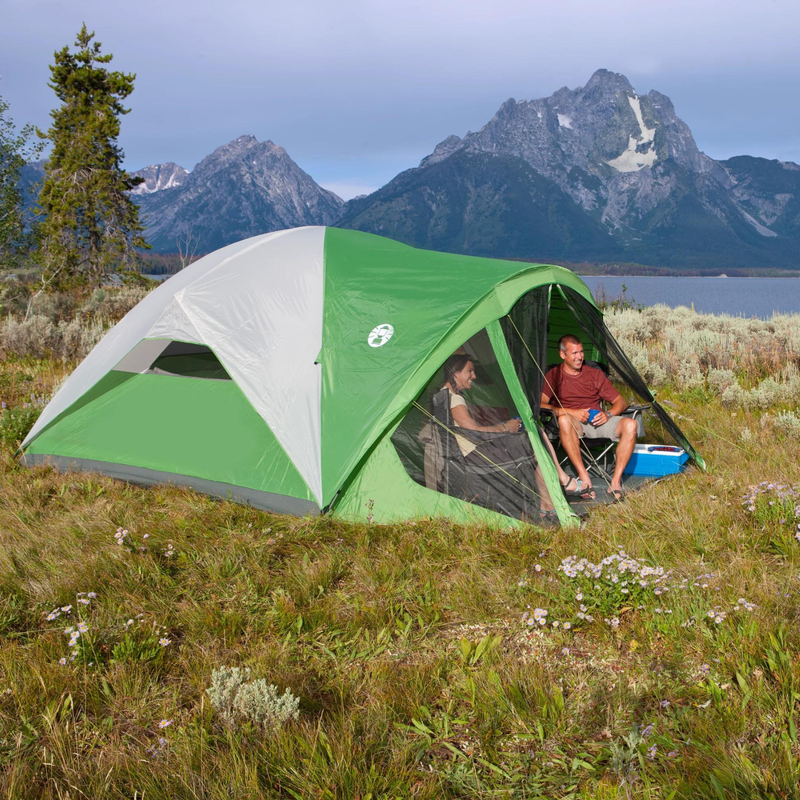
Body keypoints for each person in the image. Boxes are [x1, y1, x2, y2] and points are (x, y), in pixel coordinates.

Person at [442, 354, 587, 517]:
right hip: (474, 456)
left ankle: (550, 499)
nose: (474, 376)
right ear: (455, 372)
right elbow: (473, 431)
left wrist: (504, 428)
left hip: (470, 453)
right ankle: (556, 490)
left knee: (535, 437)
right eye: (470, 371)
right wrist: (505, 428)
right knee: (535, 437)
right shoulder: (454, 399)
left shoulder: (444, 395)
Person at [540, 334, 637, 501]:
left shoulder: (594, 374)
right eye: (574, 353)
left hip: (598, 421)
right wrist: (571, 412)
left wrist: (608, 414)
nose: (580, 357)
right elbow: (541, 405)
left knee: (631, 424)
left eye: (581, 352)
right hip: (574, 423)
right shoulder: (553, 375)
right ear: (563, 355)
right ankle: (584, 478)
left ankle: (615, 482)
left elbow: (620, 402)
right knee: (564, 419)